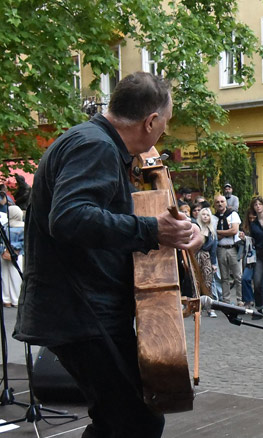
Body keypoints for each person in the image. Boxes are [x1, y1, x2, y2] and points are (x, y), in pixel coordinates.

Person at [13, 72, 202, 438]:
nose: (163, 133)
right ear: (150, 122)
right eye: (165, 123)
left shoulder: (91, 140)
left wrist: (174, 232)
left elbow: (97, 218)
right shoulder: (95, 146)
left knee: (124, 419)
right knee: (136, 421)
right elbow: (70, 217)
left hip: (81, 311)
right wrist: (151, 230)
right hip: (81, 313)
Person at [213, 194, 243, 306]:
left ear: (226, 203)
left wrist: (219, 232)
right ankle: (226, 300)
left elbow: (234, 230)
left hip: (233, 248)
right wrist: (226, 232)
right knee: (224, 277)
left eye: (222, 201)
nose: (220, 204)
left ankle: (240, 300)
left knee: (238, 276)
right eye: (217, 202)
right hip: (220, 249)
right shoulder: (214, 218)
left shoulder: (233, 215)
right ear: (215, 204)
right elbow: (214, 234)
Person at [196, 207, 218, 317]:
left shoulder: (212, 231)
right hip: (195, 257)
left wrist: (214, 264)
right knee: (195, 283)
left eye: (207, 215)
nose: (205, 216)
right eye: (203, 214)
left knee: (208, 282)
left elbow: (213, 249)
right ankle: (197, 309)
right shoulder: (195, 228)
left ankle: (210, 308)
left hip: (207, 258)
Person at [1, 205, 24, 308]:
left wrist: (4, 251)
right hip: (17, 254)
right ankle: (16, 299)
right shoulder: (23, 226)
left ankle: (6, 299)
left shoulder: (5, 226)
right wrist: (15, 250)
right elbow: (24, 242)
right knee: (16, 277)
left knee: (5, 276)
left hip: (4, 254)